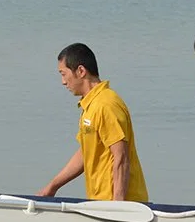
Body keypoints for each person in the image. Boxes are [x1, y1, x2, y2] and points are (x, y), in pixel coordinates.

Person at [39, 42, 149, 202]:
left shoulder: (106, 104)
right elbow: (86, 152)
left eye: (63, 74)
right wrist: (52, 187)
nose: (63, 82)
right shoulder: (91, 105)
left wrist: (119, 207)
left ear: (81, 71)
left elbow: (121, 156)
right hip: (100, 202)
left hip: (121, 203)